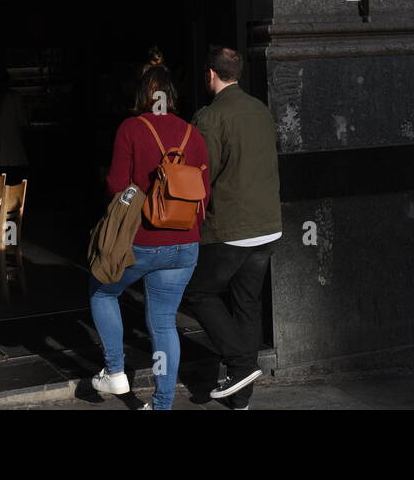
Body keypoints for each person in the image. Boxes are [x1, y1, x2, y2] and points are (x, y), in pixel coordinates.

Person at [89, 60, 210, 410]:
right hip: (186, 244)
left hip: (144, 240)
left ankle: (114, 371)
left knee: (102, 289)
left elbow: (116, 184)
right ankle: (161, 404)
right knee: (164, 322)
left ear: (143, 93)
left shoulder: (131, 128)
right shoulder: (193, 133)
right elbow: (205, 191)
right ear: (171, 96)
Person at [185, 46, 282, 409]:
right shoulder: (261, 110)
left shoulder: (211, 117)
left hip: (232, 228)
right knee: (247, 302)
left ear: (210, 74)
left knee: (199, 292)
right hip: (268, 226)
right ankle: (241, 398)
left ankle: (241, 366)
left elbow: (201, 175)